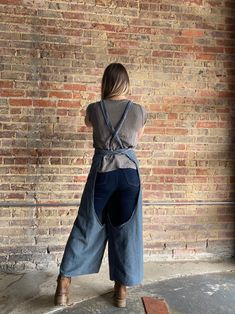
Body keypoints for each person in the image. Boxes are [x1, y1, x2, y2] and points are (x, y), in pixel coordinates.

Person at [54, 63, 147, 308]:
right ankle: (121, 292)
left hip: (102, 173)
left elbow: (88, 124)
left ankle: (63, 284)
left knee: (86, 224)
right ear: (126, 83)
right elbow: (137, 135)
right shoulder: (138, 111)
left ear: (105, 83)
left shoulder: (95, 109)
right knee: (125, 230)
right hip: (129, 176)